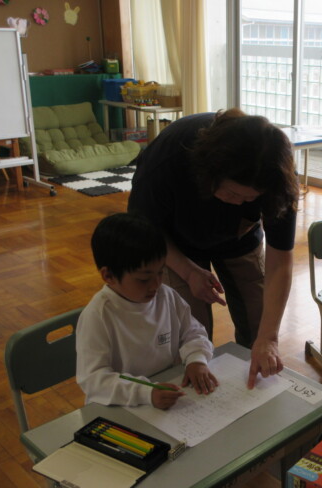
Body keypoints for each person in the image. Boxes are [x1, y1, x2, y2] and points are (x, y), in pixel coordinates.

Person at [127, 108, 300, 389]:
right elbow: (147, 229)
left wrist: (268, 338)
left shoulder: (276, 177)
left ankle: (252, 393)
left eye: (249, 199)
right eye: (232, 193)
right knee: (191, 333)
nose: (238, 202)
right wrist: (189, 272)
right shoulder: (170, 160)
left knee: (259, 321)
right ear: (210, 174)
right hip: (174, 241)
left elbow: (280, 262)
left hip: (240, 238)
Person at [76, 212, 218, 410]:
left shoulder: (166, 296)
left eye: (160, 272)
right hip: (119, 406)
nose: (156, 284)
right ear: (108, 276)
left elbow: (194, 332)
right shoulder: (98, 315)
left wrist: (196, 359)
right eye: (143, 279)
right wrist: (145, 392)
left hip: (165, 395)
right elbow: (93, 379)